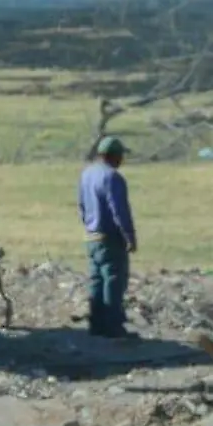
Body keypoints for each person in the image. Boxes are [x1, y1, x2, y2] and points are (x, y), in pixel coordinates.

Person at [78, 136, 138, 339]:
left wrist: (88, 225)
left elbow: (82, 205)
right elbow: (119, 210)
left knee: (96, 280)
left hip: (91, 236)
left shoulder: (87, 174)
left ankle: (96, 324)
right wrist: (129, 236)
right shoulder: (113, 177)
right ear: (114, 156)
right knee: (114, 280)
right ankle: (113, 327)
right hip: (110, 237)